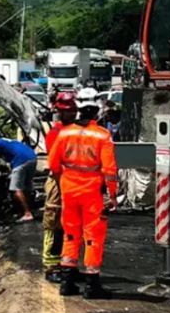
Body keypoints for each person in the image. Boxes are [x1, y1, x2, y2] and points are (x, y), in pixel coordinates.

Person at [48, 87, 118, 299]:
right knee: (93, 236)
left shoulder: (64, 133)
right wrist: (112, 196)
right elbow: (109, 170)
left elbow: (53, 164)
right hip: (92, 193)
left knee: (70, 234)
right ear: (97, 111)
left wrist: (65, 180)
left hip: (68, 190)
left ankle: (67, 283)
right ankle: (92, 285)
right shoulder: (102, 136)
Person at [42, 91, 77, 283]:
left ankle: (67, 264)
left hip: (73, 183)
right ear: (59, 112)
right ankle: (51, 266)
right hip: (59, 181)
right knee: (54, 222)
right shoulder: (55, 134)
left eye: (73, 111)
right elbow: (56, 165)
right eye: (68, 111)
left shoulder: (75, 132)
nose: (71, 115)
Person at [0, 129, 38, 222]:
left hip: (21, 162)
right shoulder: (10, 141)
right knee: (26, 187)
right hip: (32, 158)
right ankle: (30, 209)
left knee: (16, 189)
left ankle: (27, 213)